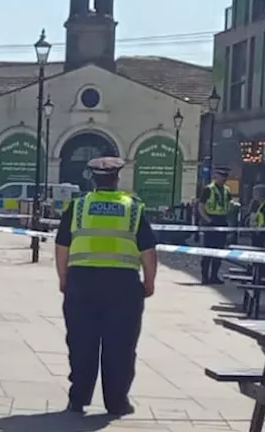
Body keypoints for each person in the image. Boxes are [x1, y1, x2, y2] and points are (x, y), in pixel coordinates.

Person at [54, 157, 158, 417]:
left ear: (93, 179)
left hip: (82, 282)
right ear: (117, 178)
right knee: (120, 346)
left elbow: (61, 245)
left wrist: (63, 277)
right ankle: (117, 402)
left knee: (81, 343)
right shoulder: (133, 208)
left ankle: (77, 400)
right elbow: (148, 250)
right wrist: (150, 281)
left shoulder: (78, 207)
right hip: (123, 286)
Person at [194, 166, 233, 284]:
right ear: (217, 177)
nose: (224, 179)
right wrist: (207, 220)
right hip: (211, 220)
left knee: (219, 251)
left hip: (222, 220)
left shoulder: (227, 190)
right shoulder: (208, 189)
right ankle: (205, 276)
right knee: (208, 250)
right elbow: (201, 206)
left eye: (225, 177)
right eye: (222, 177)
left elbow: (229, 203)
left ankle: (214, 276)